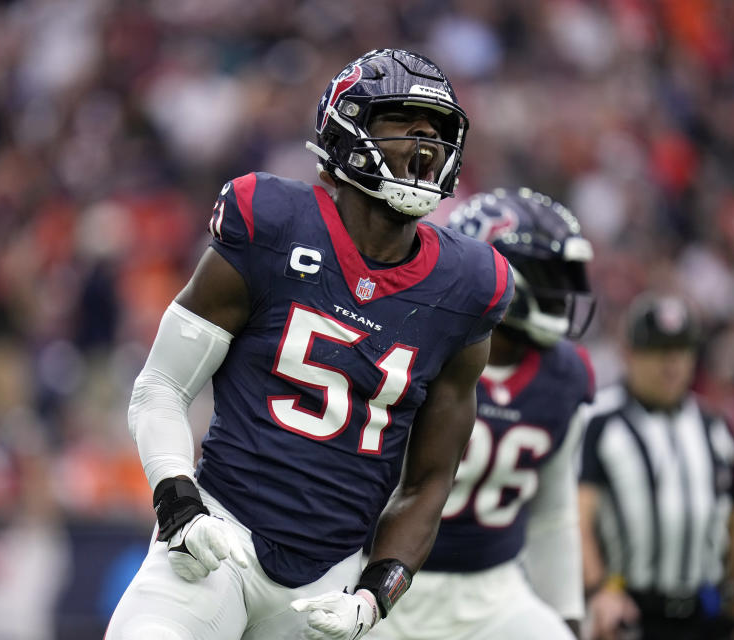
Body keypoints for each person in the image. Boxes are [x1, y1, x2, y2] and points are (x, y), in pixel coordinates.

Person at [105, 48, 514, 640]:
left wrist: (375, 597)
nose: (426, 144)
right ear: (348, 129)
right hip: (217, 542)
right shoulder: (271, 225)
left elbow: (430, 480)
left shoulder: (468, 287)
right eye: (405, 123)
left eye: (439, 131)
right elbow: (162, 386)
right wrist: (178, 501)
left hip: (331, 586)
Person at [367, 188, 597, 640]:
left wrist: (566, 614)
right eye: (549, 272)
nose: (564, 291)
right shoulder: (413, 345)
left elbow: (552, 510)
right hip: (377, 575)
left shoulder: (566, 375)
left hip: (493, 590)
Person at [578, 293, 734, 640]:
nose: (671, 363)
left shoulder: (714, 427)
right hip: (630, 613)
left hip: (702, 612)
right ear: (630, 354)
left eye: (681, 350)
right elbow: (577, 518)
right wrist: (599, 590)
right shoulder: (600, 421)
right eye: (658, 351)